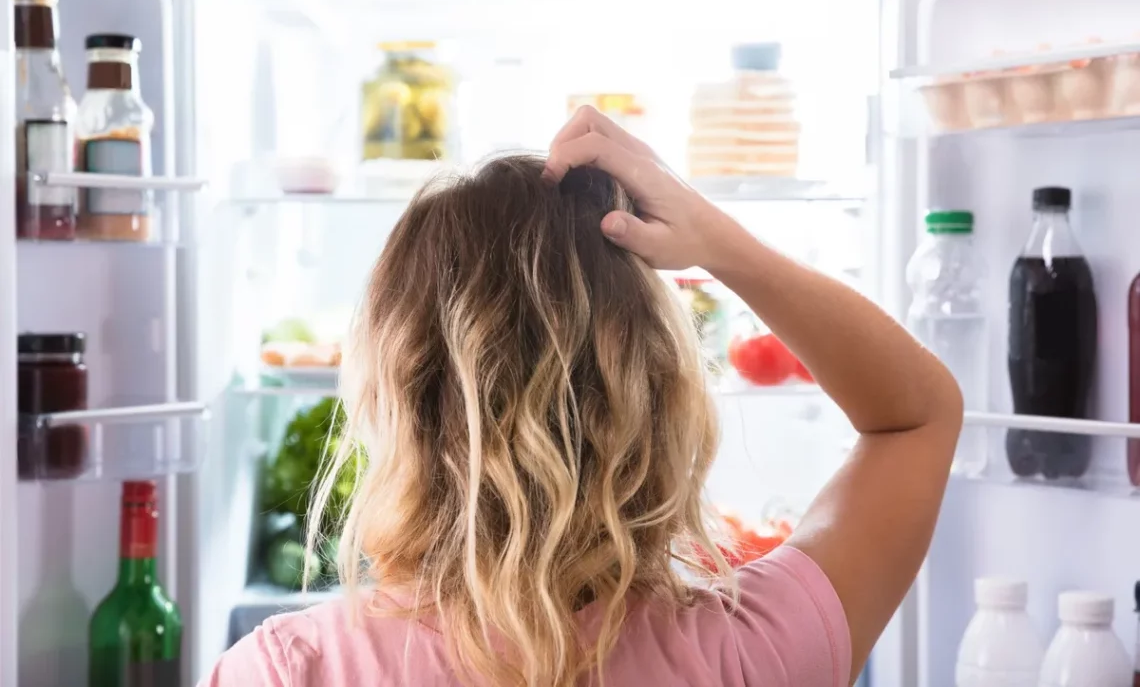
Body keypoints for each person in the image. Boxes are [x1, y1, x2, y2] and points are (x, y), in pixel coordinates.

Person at [201, 107, 962, 687]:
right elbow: (917, 417)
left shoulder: (287, 670)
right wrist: (717, 242)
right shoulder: (751, 649)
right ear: (657, 386)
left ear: (398, 390)